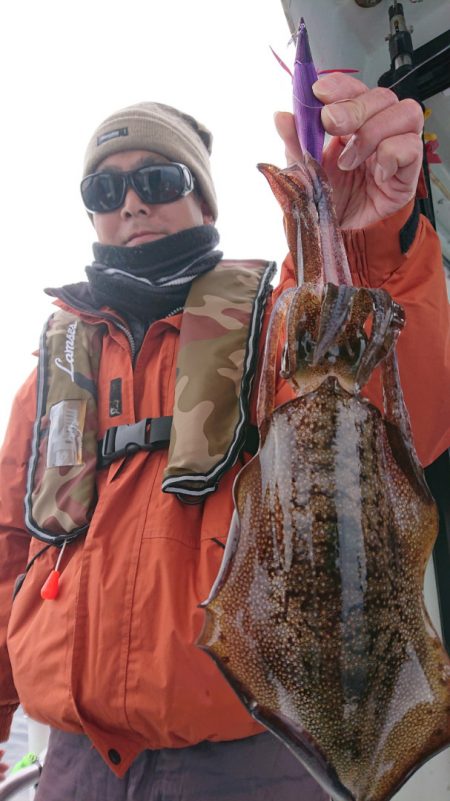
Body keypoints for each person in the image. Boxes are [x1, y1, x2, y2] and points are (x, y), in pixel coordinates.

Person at [0, 74, 449, 801]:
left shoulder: (274, 325)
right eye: (104, 191)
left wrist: (360, 243)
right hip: (76, 768)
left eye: (157, 179)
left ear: (204, 200)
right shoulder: (53, 372)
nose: (131, 203)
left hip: (246, 759)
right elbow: (8, 549)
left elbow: (400, 418)